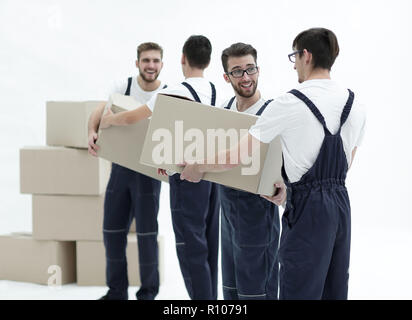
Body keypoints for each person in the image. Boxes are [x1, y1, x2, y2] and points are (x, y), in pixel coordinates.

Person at [179, 28, 366, 300]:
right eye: (237, 71)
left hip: (303, 208)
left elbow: (235, 156)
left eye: (294, 57)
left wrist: (198, 168)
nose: (294, 65)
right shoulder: (355, 103)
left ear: (306, 55)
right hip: (339, 207)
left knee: (296, 289)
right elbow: (346, 163)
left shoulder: (288, 103)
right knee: (333, 288)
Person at [99, 35, 220, 300]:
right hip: (212, 178)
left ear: (182, 59)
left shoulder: (173, 90)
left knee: (191, 248)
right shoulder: (214, 90)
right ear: (208, 60)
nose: (151, 64)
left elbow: (134, 116)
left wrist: (108, 122)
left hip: (186, 178)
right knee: (209, 246)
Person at [88, 42, 166, 300]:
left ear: (162, 64)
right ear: (137, 63)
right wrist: (92, 130)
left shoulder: (167, 92)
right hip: (120, 170)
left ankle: (148, 293)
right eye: (146, 60)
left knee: (146, 235)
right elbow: (100, 108)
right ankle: (116, 291)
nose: (151, 65)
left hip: (148, 174)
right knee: (112, 230)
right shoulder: (124, 86)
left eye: (155, 60)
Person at [218, 43, 280, 300]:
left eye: (250, 69)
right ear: (226, 77)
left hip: (258, 215)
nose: (246, 77)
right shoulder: (221, 111)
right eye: (237, 71)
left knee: (256, 293)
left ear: (258, 69)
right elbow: (201, 149)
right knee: (231, 291)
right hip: (227, 214)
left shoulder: (273, 112)